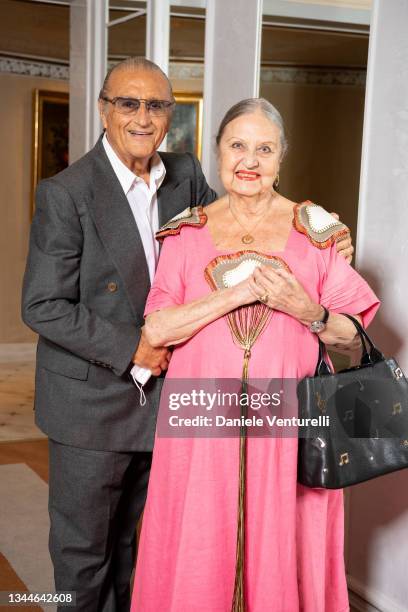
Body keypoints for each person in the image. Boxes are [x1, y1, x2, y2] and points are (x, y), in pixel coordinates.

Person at [130, 98, 380, 612]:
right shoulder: (185, 232)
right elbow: (157, 327)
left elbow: (354, 340)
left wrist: (306, 308)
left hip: (290, 422)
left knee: (283, 541)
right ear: (216, 153)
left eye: (264, 148)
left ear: (282, 156)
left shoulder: (317, 231)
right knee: (199, 542)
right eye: (237, 146)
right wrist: (235, 293)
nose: (250, 160)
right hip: (200, 421)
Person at [21, 57, 217, 611]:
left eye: (155, 105)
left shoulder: (187, 175)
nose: (142, 116)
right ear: (105, 110)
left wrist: (321, 242)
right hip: (89, 405)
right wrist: (135, 346)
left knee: (142, 548)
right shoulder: (67, 192)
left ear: (169, 115)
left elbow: (228, 246)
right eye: (127, 103)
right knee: (82, 555)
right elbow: (41, 305)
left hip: (166, 401)